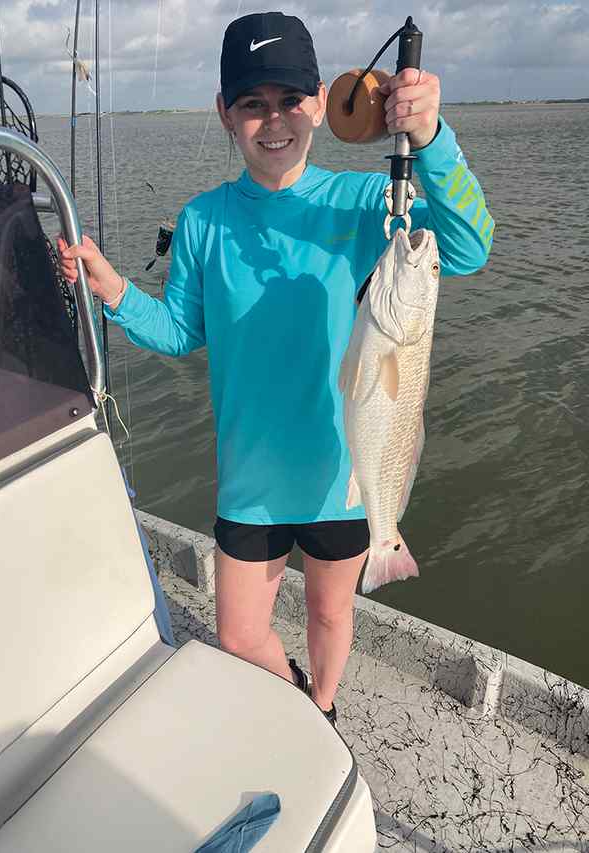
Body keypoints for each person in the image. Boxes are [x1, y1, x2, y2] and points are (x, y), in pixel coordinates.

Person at [58, 11, 494, 727]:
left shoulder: (365, 203)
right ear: (225, 114)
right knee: (238, 632)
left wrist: (429, 137)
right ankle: (296, 694)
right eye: (253, 104)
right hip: (251, 480)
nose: (275, 120)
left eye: (291, 99)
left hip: (341, 473)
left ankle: (322, 708)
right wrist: (114, 291)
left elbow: (469, 247)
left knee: (330, 614)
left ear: (321, 102)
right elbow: (181, 330)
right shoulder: (204, 220)